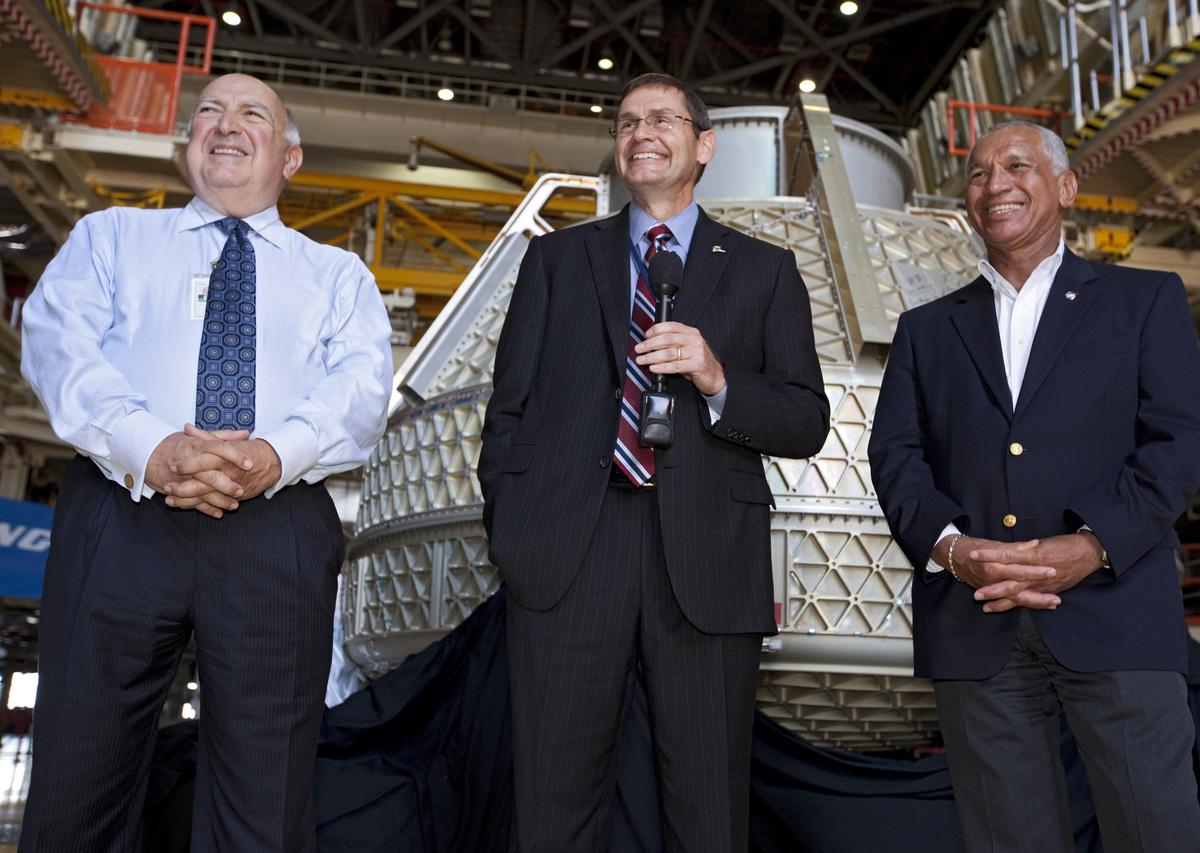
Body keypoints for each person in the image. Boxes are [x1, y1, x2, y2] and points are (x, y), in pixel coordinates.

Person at [19, 73, 393, 851]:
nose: (225, 124)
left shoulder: (338, 276)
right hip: (121, 510)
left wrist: (270, 454)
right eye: (209, 112)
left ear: (289, 157)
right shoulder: (110, 237)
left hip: (277, 523)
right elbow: (58, 345)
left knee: (265, 785)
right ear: (189, 143)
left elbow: (360, 391)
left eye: (252, 113)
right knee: (81, 767)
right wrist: (152, 447)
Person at [479, 72, 828, 852]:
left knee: (707, 808)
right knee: (551, 802)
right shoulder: (556, 260)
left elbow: (806, 419)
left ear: (705, 146)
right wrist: (515, 532)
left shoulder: (765, 269)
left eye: (663, 119)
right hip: (569, 552)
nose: (641, 132)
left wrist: (718, 377)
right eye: (628, 121)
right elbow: (509, 412)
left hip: (707, 557)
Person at [868, 121, 1200, 852]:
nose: (995, 184)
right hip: (975, 623)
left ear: (1066, 186)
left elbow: (1176, 443)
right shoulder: (925, 329)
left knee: (1158, 832)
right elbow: (896, 457)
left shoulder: (1144, 299)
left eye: (1017, 166)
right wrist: (954, 550)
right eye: (978, 173)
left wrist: (1092, 545)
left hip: (1116, 611)